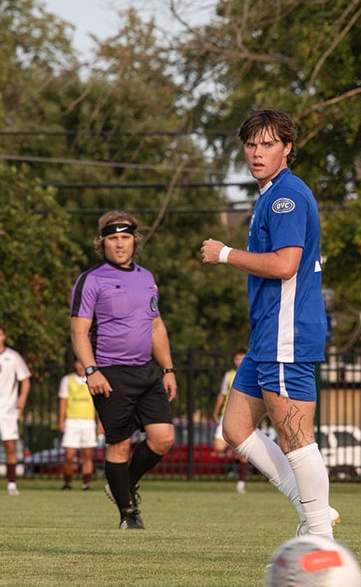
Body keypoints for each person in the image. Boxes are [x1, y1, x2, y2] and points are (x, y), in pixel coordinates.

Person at [200, 108, 339, 538]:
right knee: (235, 428)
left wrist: (224, 254)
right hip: (266, 334)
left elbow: (284, 265)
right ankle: (314, 509)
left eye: (268, 144)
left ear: (287, 148)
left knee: (297, 435)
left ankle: (319, 535)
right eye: (251, 144)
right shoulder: (269, 195)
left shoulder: (286, 197)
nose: (258, 153)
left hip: (286, 333)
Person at [70, 210, 177, 530]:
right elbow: (78, 331)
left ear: (135, 241)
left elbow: (156, 325)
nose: (120, 244)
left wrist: (168, 369)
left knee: (163, 438)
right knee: (119, 444)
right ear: (102, 243)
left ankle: (121, 485)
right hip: (110, 374)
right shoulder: (90, 280)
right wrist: (92, 371)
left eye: (125, 238)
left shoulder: (147, 277)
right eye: (113, 239)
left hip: (146, 371)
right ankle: (128, 514)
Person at [58, 359, 104, 491]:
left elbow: (98, 405)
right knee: (69, 455)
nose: (80, 366)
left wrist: (100, 422)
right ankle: (68, 483)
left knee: (88, 455)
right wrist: (61, 420)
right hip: (71, 421)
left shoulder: (93, 380)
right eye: (78, 362)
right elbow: (63, 402)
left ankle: (86, 483)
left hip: (88, 422)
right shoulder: (67, 380)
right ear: (75, 364)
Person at [213, 348, 250, 493]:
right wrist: (216, 411)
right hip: (226, 414)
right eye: (237, 359)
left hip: (244, 416)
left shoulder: (251, 374)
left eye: (242, 358)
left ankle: (241, 483)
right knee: (219, 447)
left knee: (243, 453)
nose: (239, 361)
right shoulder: (229, 375)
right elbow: (222, 394)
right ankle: (234, 449)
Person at [0, 324, 31, 496]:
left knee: (10, 446)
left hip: (7, 409)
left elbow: (25, 379)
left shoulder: (13, 357)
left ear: (4, 336)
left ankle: (11, 483)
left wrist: (22, 397)